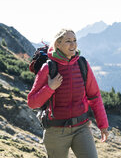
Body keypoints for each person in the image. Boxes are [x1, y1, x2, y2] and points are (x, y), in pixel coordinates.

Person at [28, 29, 109, 158]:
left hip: (82, 128)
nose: (73, 45)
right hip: (55, 131)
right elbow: (32, 102)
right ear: (58, 44)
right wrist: (50, 87)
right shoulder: (48, 67)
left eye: (75, 40)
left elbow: (94, 96)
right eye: (68, 41)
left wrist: (103, 125)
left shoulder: (82, 64)